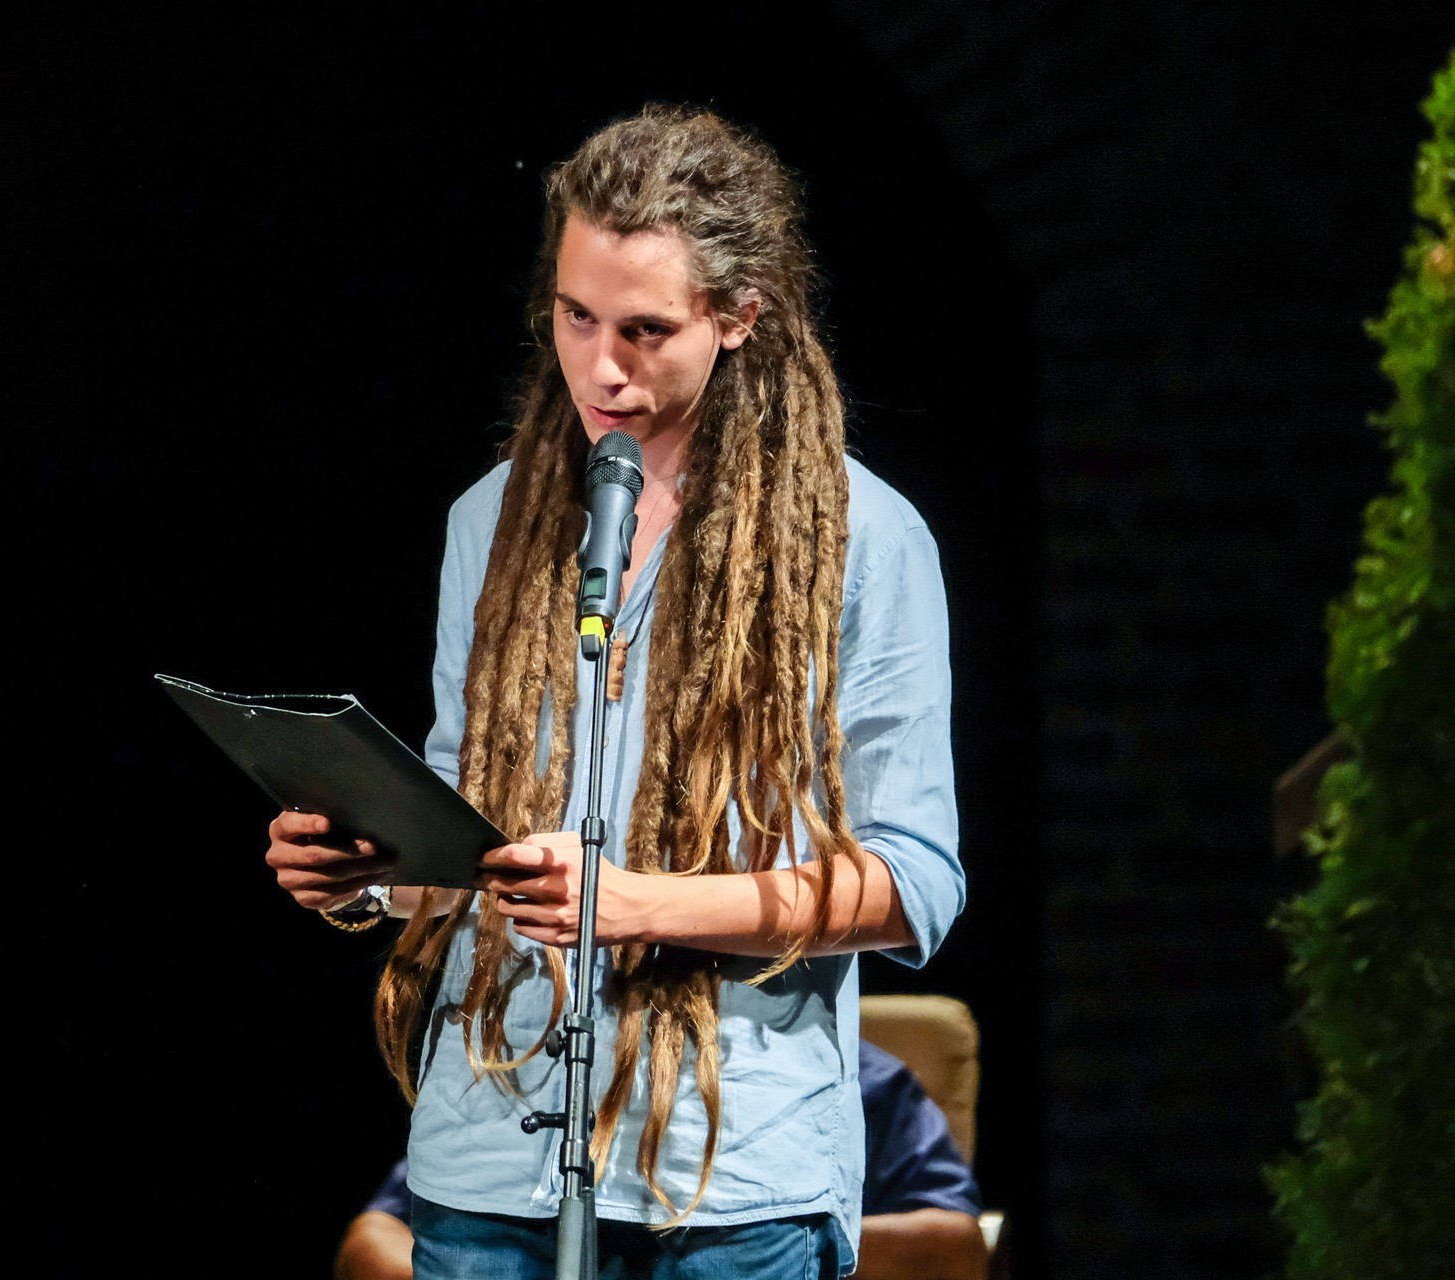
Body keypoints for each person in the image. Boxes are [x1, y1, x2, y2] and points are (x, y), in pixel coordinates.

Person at [266, 103, 961, 1280]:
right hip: (490, 1162)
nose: (599, 366)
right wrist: (371, 868)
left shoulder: (860, 538)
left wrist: (638, 903)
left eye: (646, 329)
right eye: (575, 315)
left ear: (739, 315)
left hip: (728, 1178)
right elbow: (472, 828)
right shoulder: (491, 521)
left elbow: (915, 880)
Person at [334, 1041, 988, 1280]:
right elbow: (374, 1241)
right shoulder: (553, 1075)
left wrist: (793, 1238)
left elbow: (954, 1243)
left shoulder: (864, 1084)